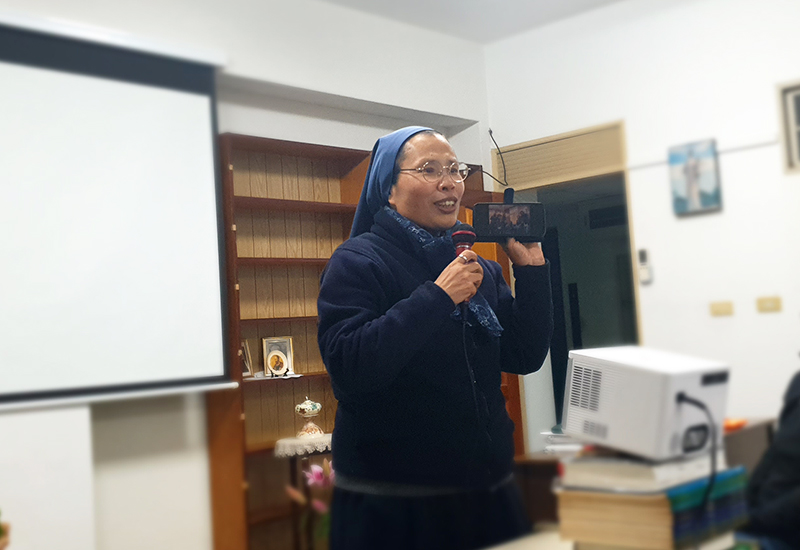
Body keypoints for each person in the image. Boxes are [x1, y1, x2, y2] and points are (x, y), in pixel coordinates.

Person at [317, 126, 554, 550]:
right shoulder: (356, 261)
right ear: (389, 189)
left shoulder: (478, 267)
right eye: (429, 170)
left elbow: (523, 355)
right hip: (393, 503)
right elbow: (351, 369)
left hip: (486, 490)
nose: (449, 183)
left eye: (454, 169)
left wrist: (532, 272)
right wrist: (438, 296)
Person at [738, 371, 800, 550]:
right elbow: (774, 455)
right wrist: (740, 511)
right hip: (763, 521)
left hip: (784, 534)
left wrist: (749, 521)